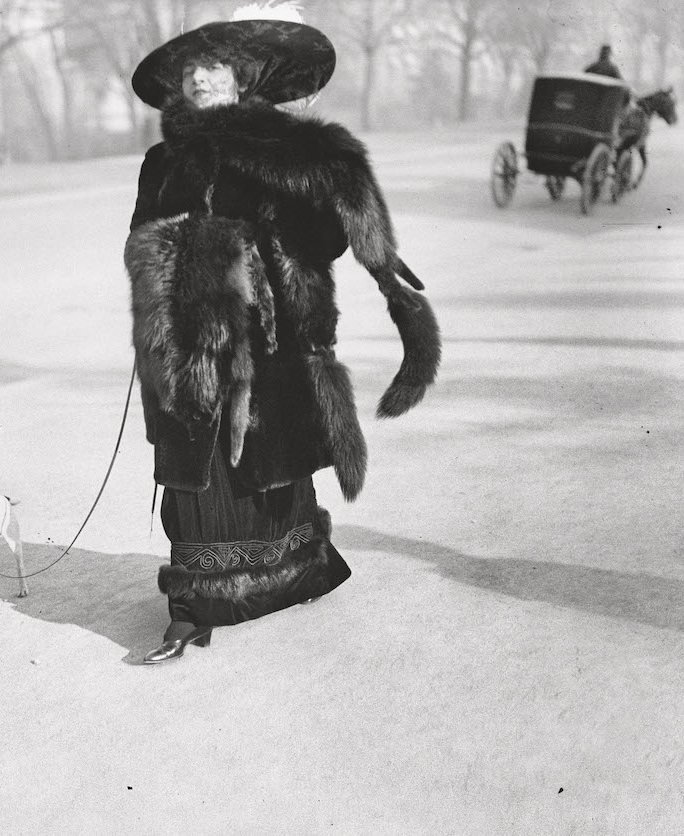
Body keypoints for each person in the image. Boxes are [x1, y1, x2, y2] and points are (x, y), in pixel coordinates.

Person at [125, 5, 441, 664]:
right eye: (191, 73)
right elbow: (139, 241)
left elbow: (323, 238)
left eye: (215, 69)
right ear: (178, 88)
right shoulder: (161, 163)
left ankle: (299, 571)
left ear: (239, 79)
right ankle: (192, 610)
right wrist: (191, 264)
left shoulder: (279, 149)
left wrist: (303, 207)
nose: (203, 80)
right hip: (189, 348)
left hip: (271, 344)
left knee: (273, 461)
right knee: (199, 476)